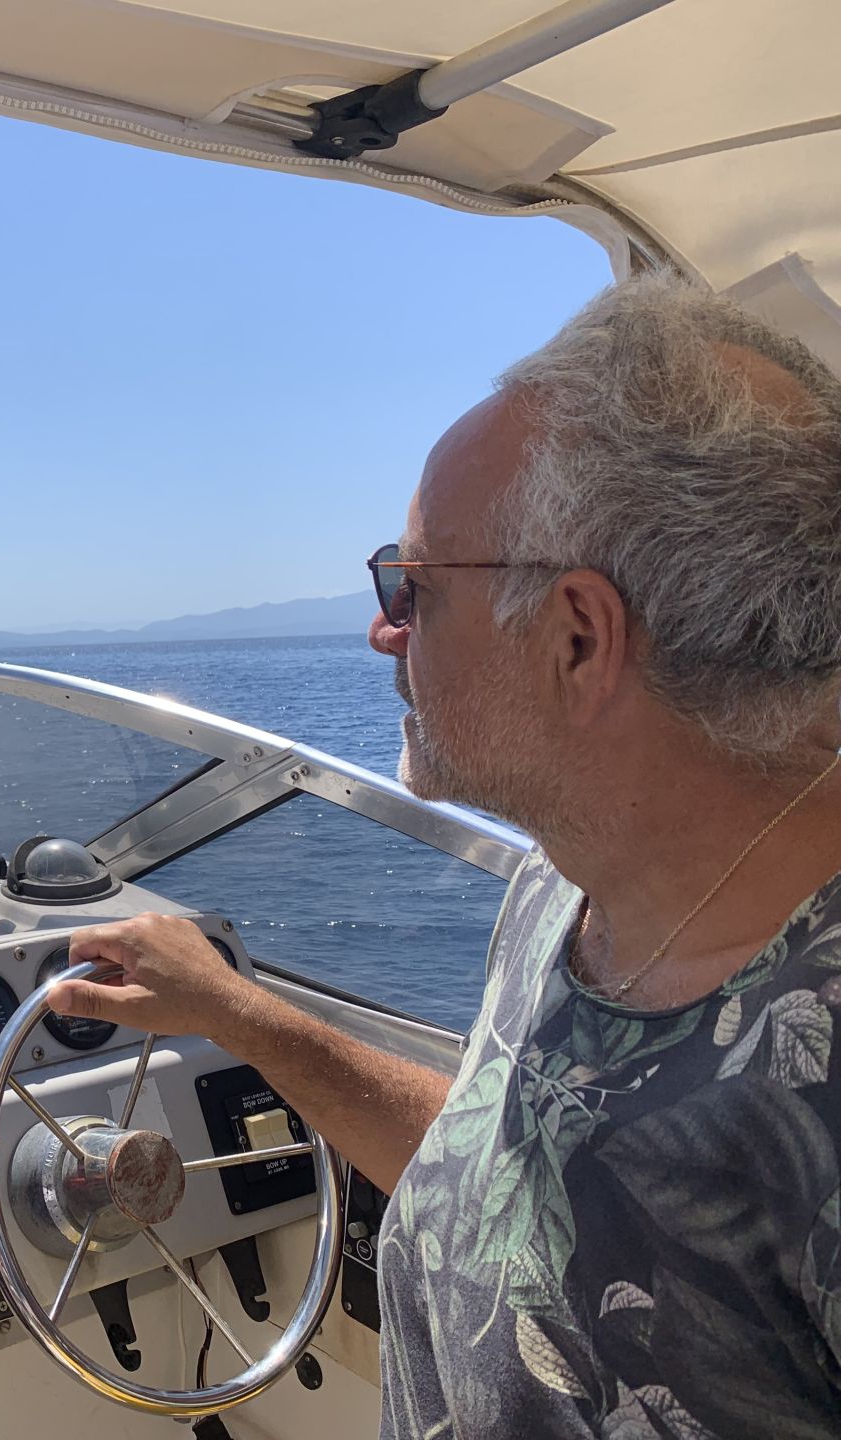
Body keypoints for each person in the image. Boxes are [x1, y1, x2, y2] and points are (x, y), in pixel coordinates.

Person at [51, 273, 841, 1438]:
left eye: (412, 586)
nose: (382, 630)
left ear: (579, 639)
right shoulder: (569, 882)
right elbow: (508, 1167)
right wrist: (235, 1011)